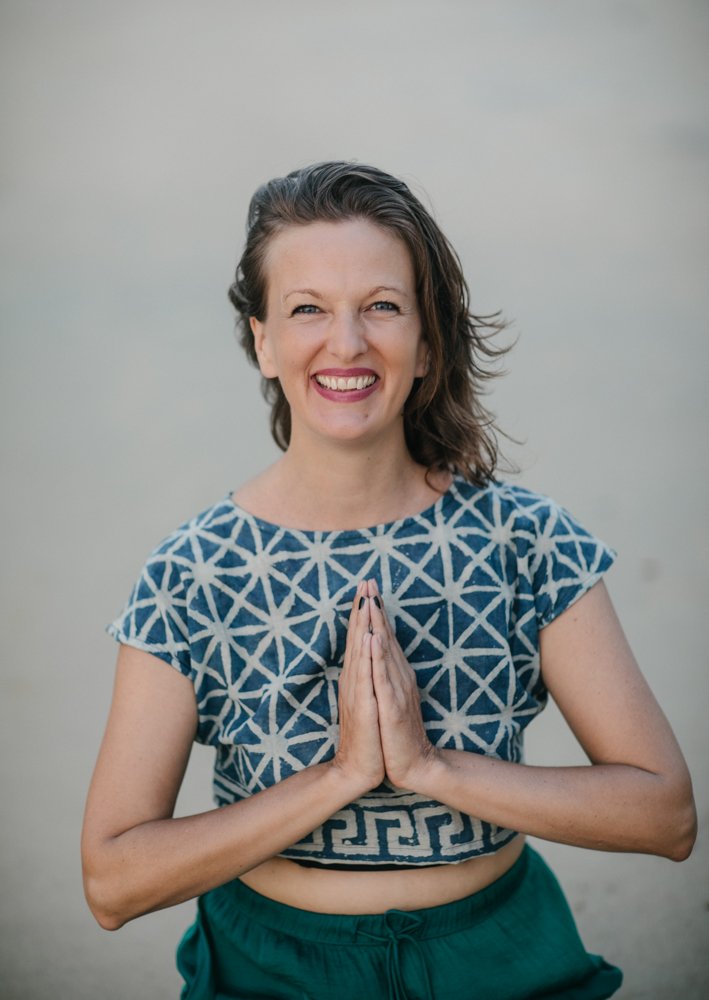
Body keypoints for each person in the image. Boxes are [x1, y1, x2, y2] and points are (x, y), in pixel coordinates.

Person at [82, 161, 696, 1000]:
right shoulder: (192, 573)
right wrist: (337, 777)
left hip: (502, 961)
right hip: (273, 973)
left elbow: (665, 816)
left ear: (427, 340)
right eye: (307, 309)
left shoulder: (526, 540)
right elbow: (113, 882)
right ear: (263, 341)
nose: (346, 343)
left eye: (381, 306)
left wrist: (429, 767)